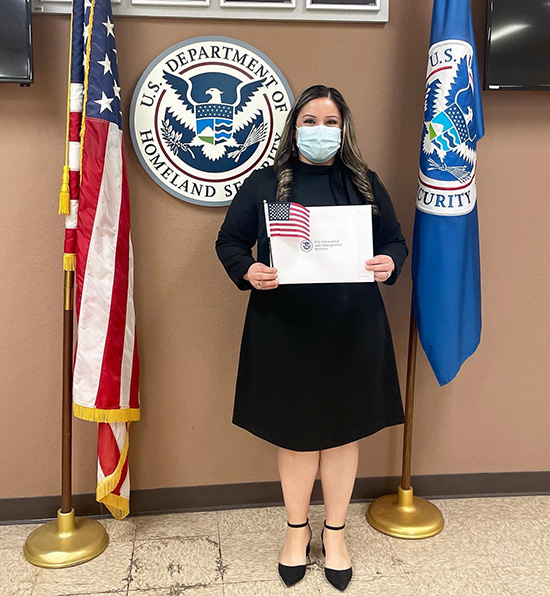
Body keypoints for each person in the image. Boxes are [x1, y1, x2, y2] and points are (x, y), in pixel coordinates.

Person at [215, 84, 408, 592]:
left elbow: (394, 241)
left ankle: (336, 533)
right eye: (309, 120)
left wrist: (390, 263)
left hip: (352, 328)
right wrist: (249, 268)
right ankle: (297, 532)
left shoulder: (364, 183)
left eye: (329, 122)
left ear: (343, 129)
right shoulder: (262, 184)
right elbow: (229, 241)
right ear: (292, 126)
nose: (319, 131)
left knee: (344, 433)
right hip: (285, 329)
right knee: (296, 436)